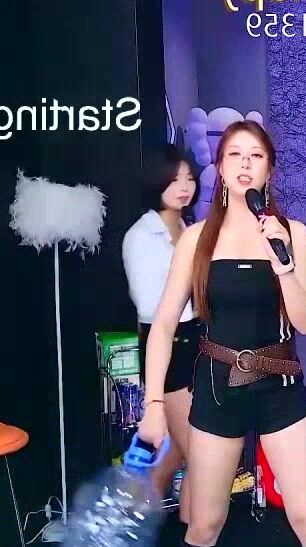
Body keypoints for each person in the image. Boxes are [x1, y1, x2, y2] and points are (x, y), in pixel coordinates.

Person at [137, 120, 306, 547]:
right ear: (221, 168)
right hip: (216, 392)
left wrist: (283, 263)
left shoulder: (293, 234)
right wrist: (154, 403)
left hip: (279, 388)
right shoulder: (196, 240)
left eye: (256, 155)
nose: (245, 164)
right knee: (205, 523)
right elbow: (162, 326)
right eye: (235, 154)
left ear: (269, 169)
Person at [122, 143, 199, 524]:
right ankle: (195, 542)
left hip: (195, 342)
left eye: (189, 178)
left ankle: (139, 532)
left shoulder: (190, 229)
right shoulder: (141, 235)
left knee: (176, 453)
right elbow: (150, 308)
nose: (184, 187)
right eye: (174, 179)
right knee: (199, 455)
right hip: (166, 347)